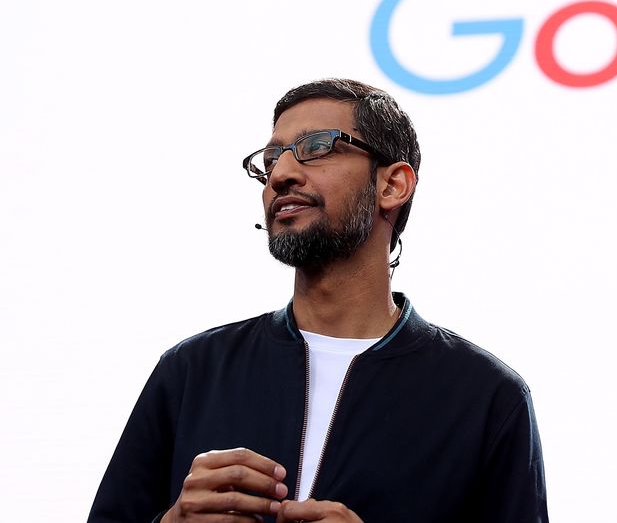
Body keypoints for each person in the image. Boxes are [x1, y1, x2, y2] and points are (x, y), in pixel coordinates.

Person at [89, 78, 548, 522]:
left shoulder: (486, 397)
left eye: (319, 147)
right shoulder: (192, 370)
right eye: (272, 159)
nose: (282, 174)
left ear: (392, 186)